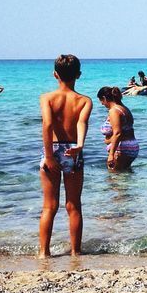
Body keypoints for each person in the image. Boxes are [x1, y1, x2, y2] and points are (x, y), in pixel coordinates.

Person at [39, 54, 92, 257]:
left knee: (49, 206)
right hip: (73, 150)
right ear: (78, 75)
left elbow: (48, 124)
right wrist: (79, 144)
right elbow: (81, 123)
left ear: (55, 75)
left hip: (51, 148)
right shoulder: (84, 101)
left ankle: (44, 252)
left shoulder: (46, 98)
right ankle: (75, 252)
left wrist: (49, 156)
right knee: (73, 205)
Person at [97, 87, 139, 171]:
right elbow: (127, 131)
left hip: (121, 149)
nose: (102, 104)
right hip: (130, 146)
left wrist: (111, 154)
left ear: (104, 98)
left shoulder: (114, 111)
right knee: (124, 176)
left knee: (114, 179)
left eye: (101, 101)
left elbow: (117, 133)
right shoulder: (124, 108)